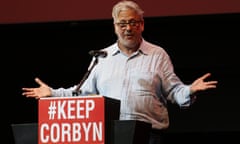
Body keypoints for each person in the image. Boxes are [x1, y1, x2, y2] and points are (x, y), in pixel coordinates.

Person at [22, 0, 218, 144]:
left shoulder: (157, 55)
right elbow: (82, 93)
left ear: (141, 25)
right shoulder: (102, 56)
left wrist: (190, 90)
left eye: (133, 23)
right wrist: (53, 93)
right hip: (110, 136)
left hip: (148, 136)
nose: (128, 29)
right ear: (115, 27)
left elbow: (174, 91)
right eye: (122, 24)